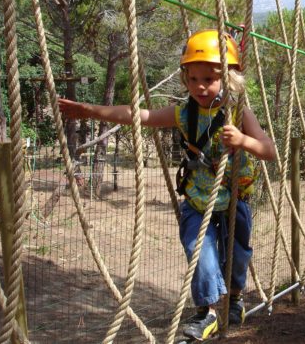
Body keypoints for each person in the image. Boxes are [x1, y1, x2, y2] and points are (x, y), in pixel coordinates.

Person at [58, 29, 275, 341]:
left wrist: (243, 140)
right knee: (198, 252)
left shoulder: (239, 114)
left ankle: (236, 297)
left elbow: (269, 151)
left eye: (210, 79)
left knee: (237, 256)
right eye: (193, 79)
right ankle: (208, 313)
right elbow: (138, 115)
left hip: (234, 200)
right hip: (198, 201)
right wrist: (89, 111)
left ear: (228, 80)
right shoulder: (183, 113)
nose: (200, 86)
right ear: (185, 79)